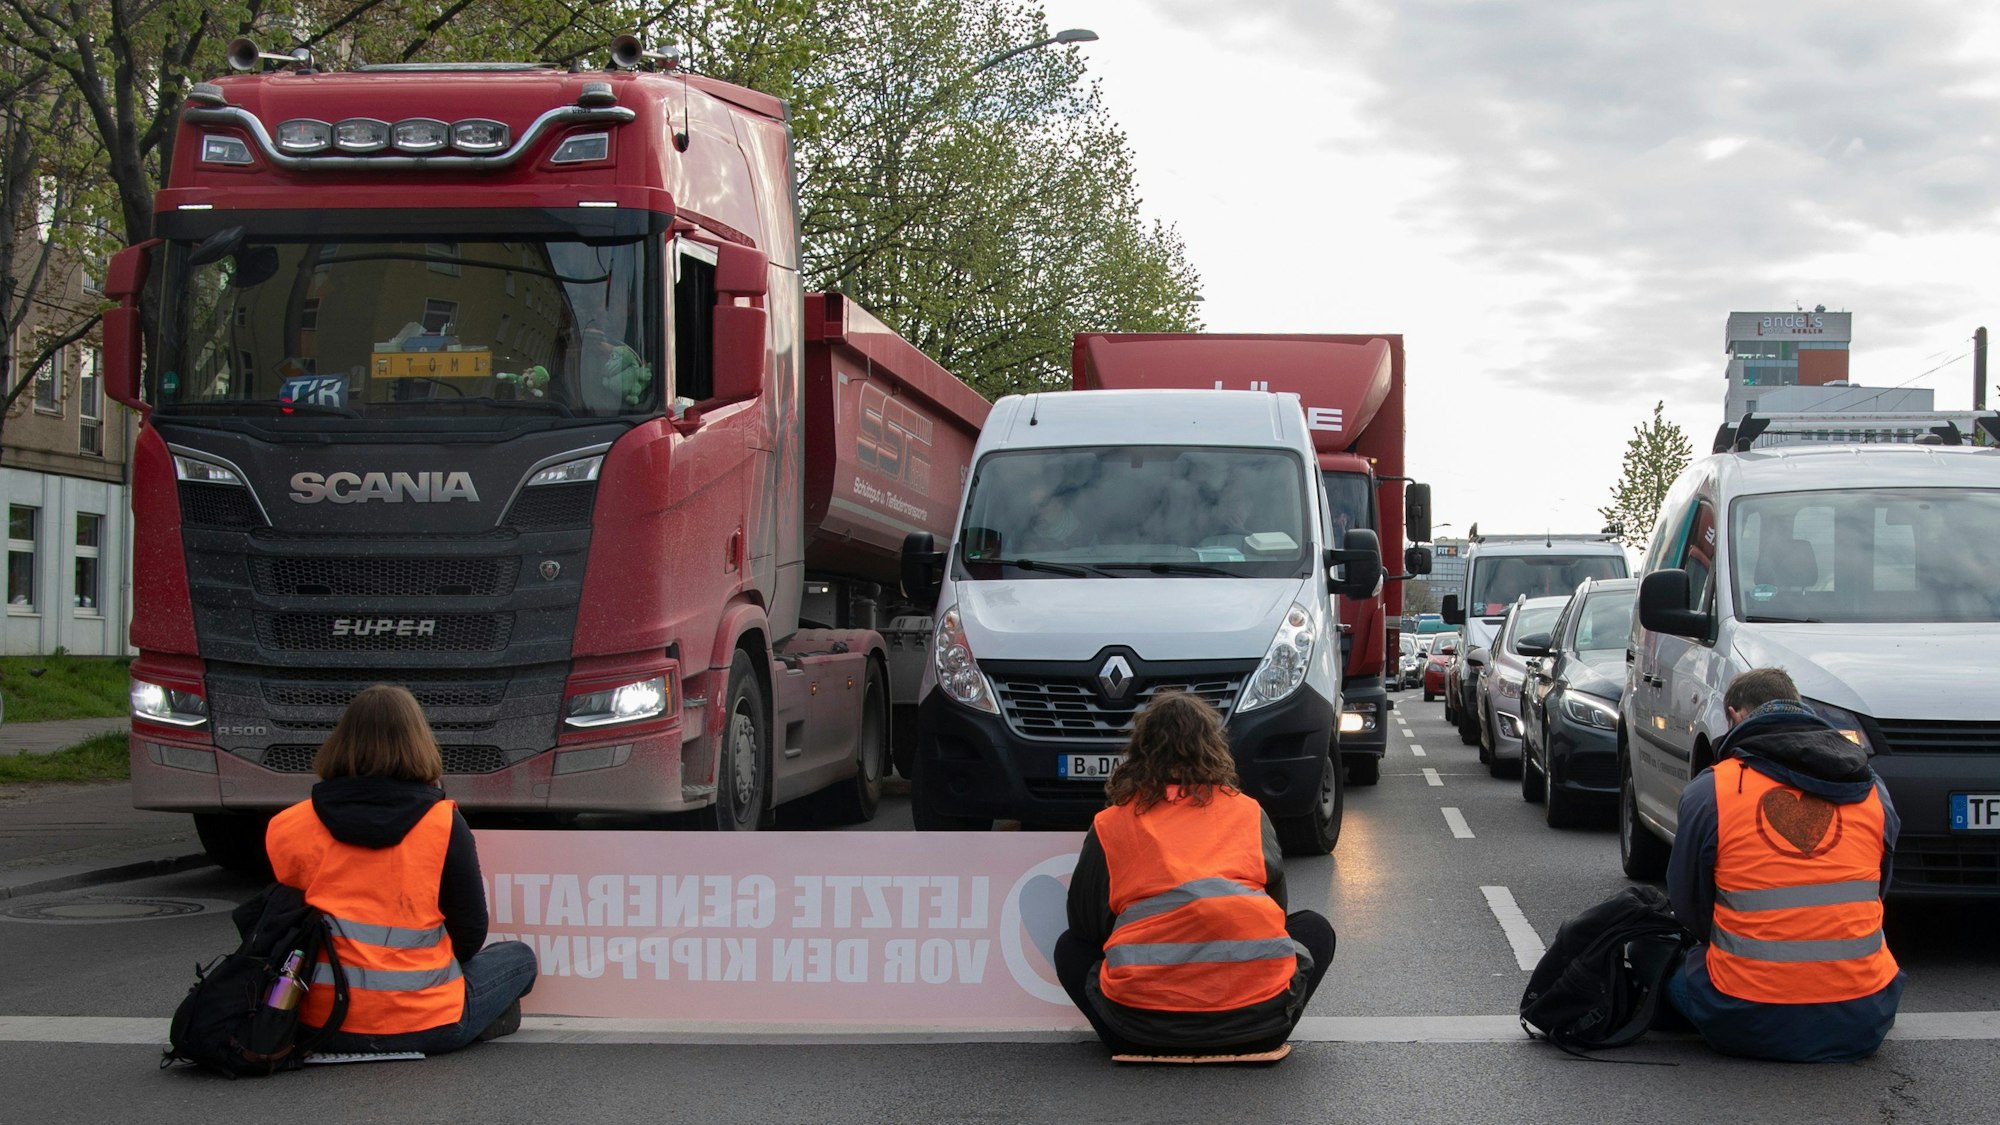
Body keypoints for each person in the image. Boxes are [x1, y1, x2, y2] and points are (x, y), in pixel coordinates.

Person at [1054, 692, 1335, 1057]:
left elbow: (1084, 925)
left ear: (1139, 752)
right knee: (1315, 927)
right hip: (1259, 1027)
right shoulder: (1248, 812)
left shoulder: (1111, 823)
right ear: (1214, 748)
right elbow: (1276, 917)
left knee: (1069, 947)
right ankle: (1254, 1016)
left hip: (1136, 1030)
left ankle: (1142, 1014)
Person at [264, 684, 538, 1055]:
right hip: (429, 1024)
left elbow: (281, 928)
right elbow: (470, 933)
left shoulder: (289, 825)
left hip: (318, 1025)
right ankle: (482, 1018)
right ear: (419, 744)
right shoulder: (443, 823)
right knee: (519, 958)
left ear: (340, 743)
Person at [1665, 668, 1904, 1062]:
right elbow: (1878, 889)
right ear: (1800, 707)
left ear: (1735, 716)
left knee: (1658, 962)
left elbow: (1689, 902)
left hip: (1744, 1017)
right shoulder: (1871, 788)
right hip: (1863, 1017)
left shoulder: (1712, 789)